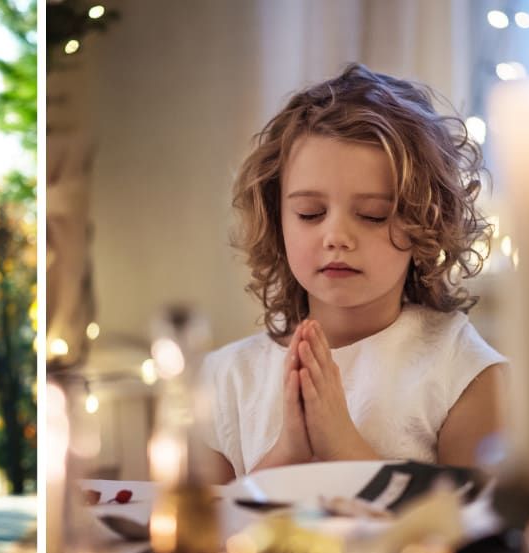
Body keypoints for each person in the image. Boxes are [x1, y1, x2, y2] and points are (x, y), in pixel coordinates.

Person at [197, 64, 508, 482]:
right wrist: (289, 450)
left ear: (426, 225)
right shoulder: (227, 378)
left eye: (372, 215)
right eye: (310, 213)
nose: (337, 236)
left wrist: (342, 446)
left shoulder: (462, 371)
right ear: (277, 219)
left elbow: (473, 532)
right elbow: (204, 535)